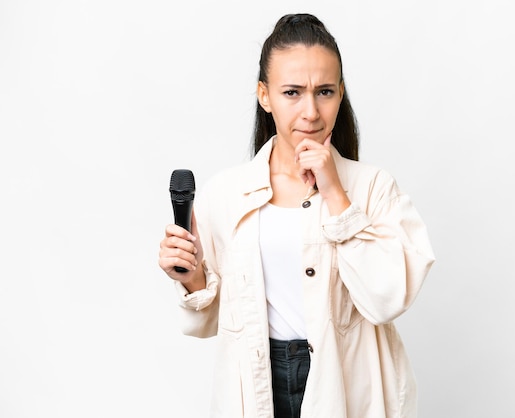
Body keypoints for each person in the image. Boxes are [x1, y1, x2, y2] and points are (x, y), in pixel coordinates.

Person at [158, 13, 435, 418]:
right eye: (292, 92)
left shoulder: (373, 188)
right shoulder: (226, 193)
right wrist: (192, 277)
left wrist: (335, 192)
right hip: (257, 381)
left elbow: (386, 298)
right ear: (264, 95)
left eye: (324, 91)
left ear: (341, 93)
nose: (310, 112)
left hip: (346, 382)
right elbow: (214, 321)